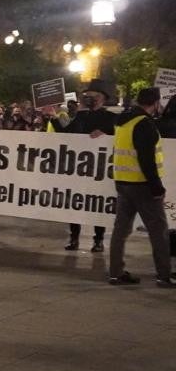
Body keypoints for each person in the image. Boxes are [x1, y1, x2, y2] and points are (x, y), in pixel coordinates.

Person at [108, 87, 172, 286]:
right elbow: (147, 159)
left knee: (121, 229)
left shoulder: (122, 121)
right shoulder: (145, 124)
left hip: (123, 182)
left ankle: (115, 273)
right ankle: (164, 276)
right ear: (155, 102)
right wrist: (157, 188)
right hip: (142, 185)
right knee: (158, 230)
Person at [55, 80, 115, 252]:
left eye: (94, 96)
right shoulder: (81, 116)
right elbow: (66, 134)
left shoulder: (111, 117)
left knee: (97, 206)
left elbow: (119, 132)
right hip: (79, 168)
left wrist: (105, 132)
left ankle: (99, 240)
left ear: (103, 98)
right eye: (88, 96)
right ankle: (74, 238)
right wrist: (54, 115)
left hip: (99, 169)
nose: (91, 99)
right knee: (75, 203)